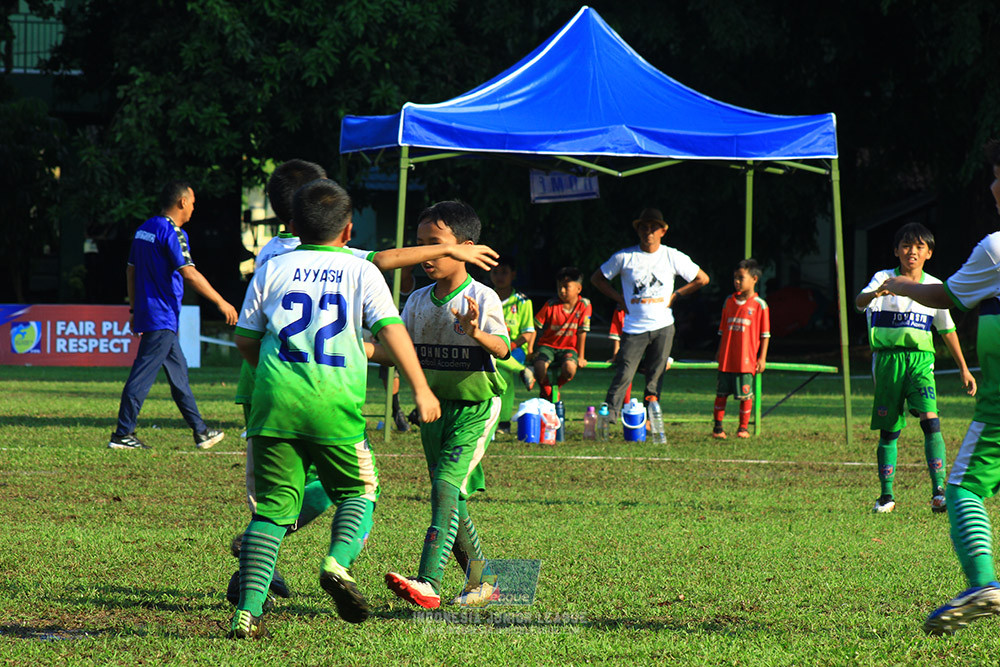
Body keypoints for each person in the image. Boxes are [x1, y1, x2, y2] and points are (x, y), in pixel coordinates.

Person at [227, 159, 499, 607]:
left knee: (283, 491)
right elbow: (383, 261)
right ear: (343, 226)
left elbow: (247, 337)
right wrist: (452, 252)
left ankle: (258, 566)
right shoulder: (343, 261)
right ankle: (330, 560)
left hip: (268, 385)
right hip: (325, 392)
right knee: (354, 487)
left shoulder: (271, 258)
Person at [882, 139, 1000, 636]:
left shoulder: (995, 247)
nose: (992, 185)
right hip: (900, 363)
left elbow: (948, 296)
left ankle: (983, 584)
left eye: (997, 175)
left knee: (963, 487)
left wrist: (903, 286)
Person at [380, 200, 510, 610]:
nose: (427, 254)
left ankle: (428, 582)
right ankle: (485, 581)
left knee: (443, 488)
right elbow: (399, 352)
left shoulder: (482, 296)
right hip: (434, 412)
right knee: (452, 498)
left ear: (465, 247)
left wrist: (475, 333)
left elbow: (503, 348)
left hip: (475, 409)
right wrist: (357, 347)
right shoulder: (417, 301)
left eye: (435, 244)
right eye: (420, 245)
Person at [107, 181, 237, 450]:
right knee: (142, 376)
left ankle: (200, 432)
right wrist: (220, 301)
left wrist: (134, 308)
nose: (193, 208)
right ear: (182, 202)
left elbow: (130, 271)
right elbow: (188, 273)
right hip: (162, 315)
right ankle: (122, 434)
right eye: (192, 202)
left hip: (153, 314)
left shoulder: (144, 230)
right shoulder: (173, 232)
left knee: (179, 376)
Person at [857, 222, 977, 515]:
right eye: (906, 246)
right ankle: (886, 496)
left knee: (930, 420)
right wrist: (874, 295)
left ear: (929, 252)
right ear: (896, 251)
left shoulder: (934, 287)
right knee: (889, 430)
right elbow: (859, 303)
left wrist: (963, 368)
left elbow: (947, 330)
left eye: (919, 246)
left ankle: (939, 491)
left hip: (921, 360)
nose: (912, 251)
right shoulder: (882, 278)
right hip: (887, 362)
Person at [591, 207, 709, 417]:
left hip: (663, 326)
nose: (649, 232)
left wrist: (677, 295)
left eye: (654, 228)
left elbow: (702, 278)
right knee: (624, 372)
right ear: (638, 231)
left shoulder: (672, 256)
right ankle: (608, 417)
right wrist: (619, 298)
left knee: (655, 377)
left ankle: (650, 419)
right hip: (634, 327)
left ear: (663, 231)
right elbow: (597, 278)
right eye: (644, 228)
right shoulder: (625, 257)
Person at [712, 259, 770, 440]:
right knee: (721, 394)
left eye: (741, 278)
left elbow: (765, 335)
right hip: (727, 358)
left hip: (746, 360)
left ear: (754, 279)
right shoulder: (728, 301)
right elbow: (722, 331)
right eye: (735, 278)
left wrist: (762, 358)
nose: (737, 281)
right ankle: (718, 428)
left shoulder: (760, 305)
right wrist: (719, 351)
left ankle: (742, 428)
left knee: (745, 396)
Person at [490, 256, 536, 433]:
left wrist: (512, 346)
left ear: (513, 275)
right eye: (495, 272)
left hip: (515, 351)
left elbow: (528, 332)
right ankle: (523, 371)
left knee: (502, 373)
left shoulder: (523, 302)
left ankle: (503, 422)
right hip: (490, 349)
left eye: (504, 272)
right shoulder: (486, 297)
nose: (499, 276)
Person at [530, 266, 590, 401]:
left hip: (569, 348)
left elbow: (582, 332)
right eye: (559, 287)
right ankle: (548, 390)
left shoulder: (584, 305)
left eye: (566, 287)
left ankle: (556, 387)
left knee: (570, 369)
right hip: (548, 346)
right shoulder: (551, 304)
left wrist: (581, 357)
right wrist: (530, 350)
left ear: (578, 289)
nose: (561, 290)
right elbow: (534, 327)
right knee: (539, 367)